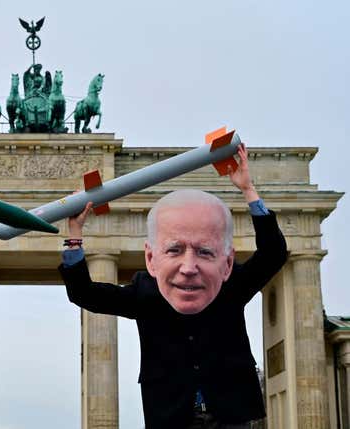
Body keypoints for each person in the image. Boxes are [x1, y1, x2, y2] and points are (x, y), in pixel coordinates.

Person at [58, 145, 287, 428]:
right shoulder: (144, 293)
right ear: (151, 259)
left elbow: (273, 254)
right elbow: (84, 293)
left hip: (230, 412)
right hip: (170, 413)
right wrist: (74, 236)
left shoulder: (230, 284)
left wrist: (248, 190)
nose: (189, 268)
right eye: (174, 251)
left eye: (204, 252)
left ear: (226, 264)